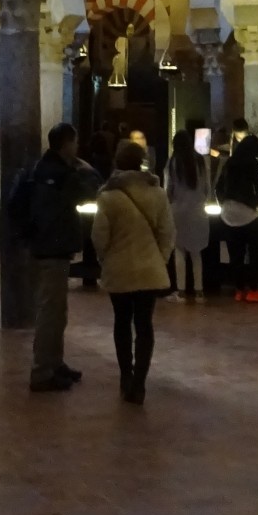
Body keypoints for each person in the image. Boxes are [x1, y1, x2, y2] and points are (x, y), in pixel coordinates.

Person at [89, 140, 175, 404]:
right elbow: (167, 233)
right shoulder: (157, 193)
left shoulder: (108, 196)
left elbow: (99, 236)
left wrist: (106, 260)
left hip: (120, 268)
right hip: (149, 269)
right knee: (144, 325)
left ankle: (126, 375)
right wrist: (158, 259)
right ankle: (140, 382)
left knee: (122, 323)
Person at [19, 123, 91, 392]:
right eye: (75, 142)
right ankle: (42, 370)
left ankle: (54, 362)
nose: (77, 147)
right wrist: (84, 169)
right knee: (50, 311)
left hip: (50, 247)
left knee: (57, 311)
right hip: (51, 249)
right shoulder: (57, 173)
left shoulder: (45, 169)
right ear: (66, 144)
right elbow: (88, 189)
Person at [215, 134, 258, 303]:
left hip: (228, 212)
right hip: (248, 212)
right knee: (254, 253)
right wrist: (257, 206)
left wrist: (223, 203)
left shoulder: (230, 162)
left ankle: (238, 290)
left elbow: (218, 187)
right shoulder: (253, 163)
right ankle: (253, 290)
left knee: (235, 254)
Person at [165, 135, 209, 298]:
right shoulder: (201, 162)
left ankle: (181, 291)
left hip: (178, 210)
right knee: (196, 252)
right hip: (198, 211)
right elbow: (206, 187)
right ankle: (199, 291)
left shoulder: (173, 162)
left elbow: (169, 188)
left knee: (179, 250)